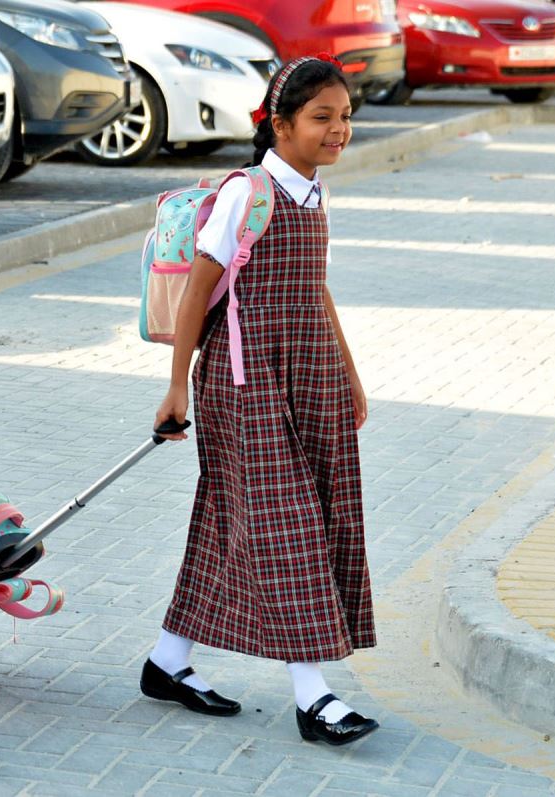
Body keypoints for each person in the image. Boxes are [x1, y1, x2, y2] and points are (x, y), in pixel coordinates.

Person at [143, 55, 379, 746]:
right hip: (243, 389)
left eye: (345, 118)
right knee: (290, 528)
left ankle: (167, 661)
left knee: (232, 524)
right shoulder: (248, 194)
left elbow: (318, 290)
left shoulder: (314, 194)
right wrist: (176, 386)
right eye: (321, 118)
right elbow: (197, 294)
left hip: (309, 380)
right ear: (279, 124)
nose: (338, 131)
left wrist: (352, 376)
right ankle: (315, 695)